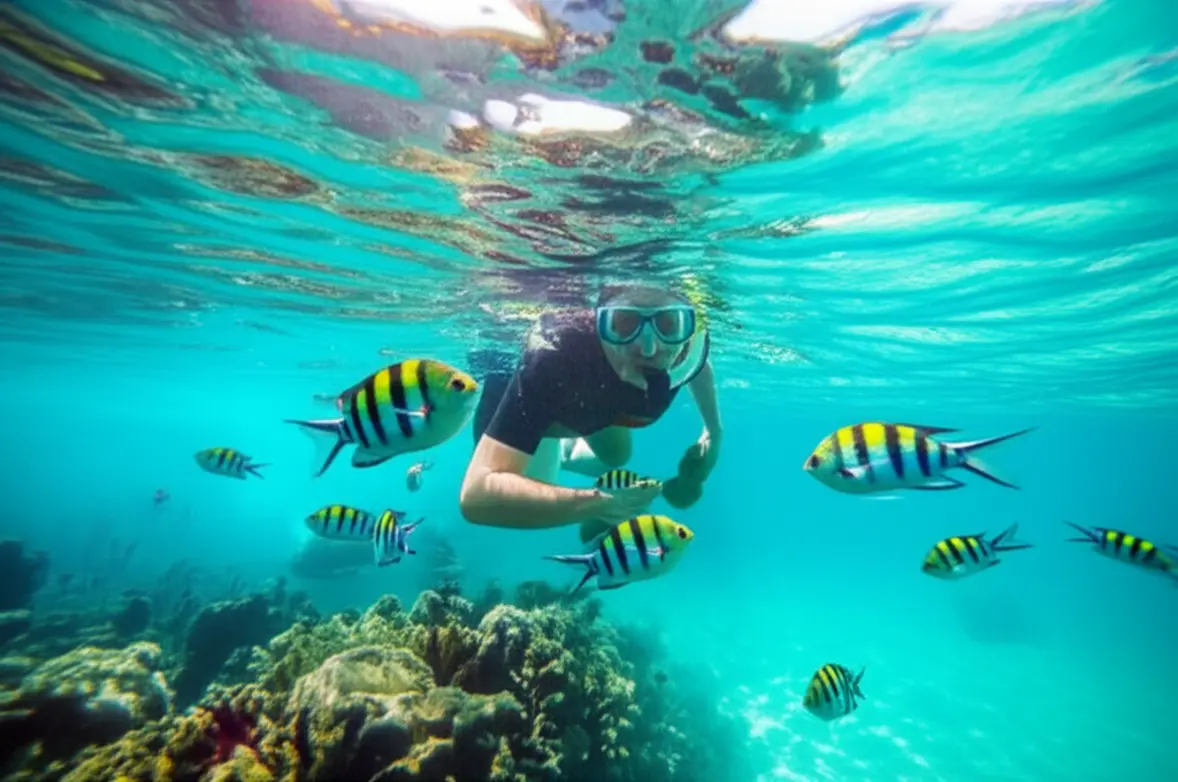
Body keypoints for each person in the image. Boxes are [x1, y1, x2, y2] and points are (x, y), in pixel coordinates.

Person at [459, 283, 722, 535]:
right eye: (624, 324)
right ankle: (547, 450)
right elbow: (477, 495)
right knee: (535, 484)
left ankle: (565, 453)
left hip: (595, 410)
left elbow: (694, 363)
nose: (650, 349)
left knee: (617, 457)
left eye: (667, 325)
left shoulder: (688, 339)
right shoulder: (555, 355)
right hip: (533, 405)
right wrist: (600, 504)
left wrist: (713, 431)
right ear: (597, 324)